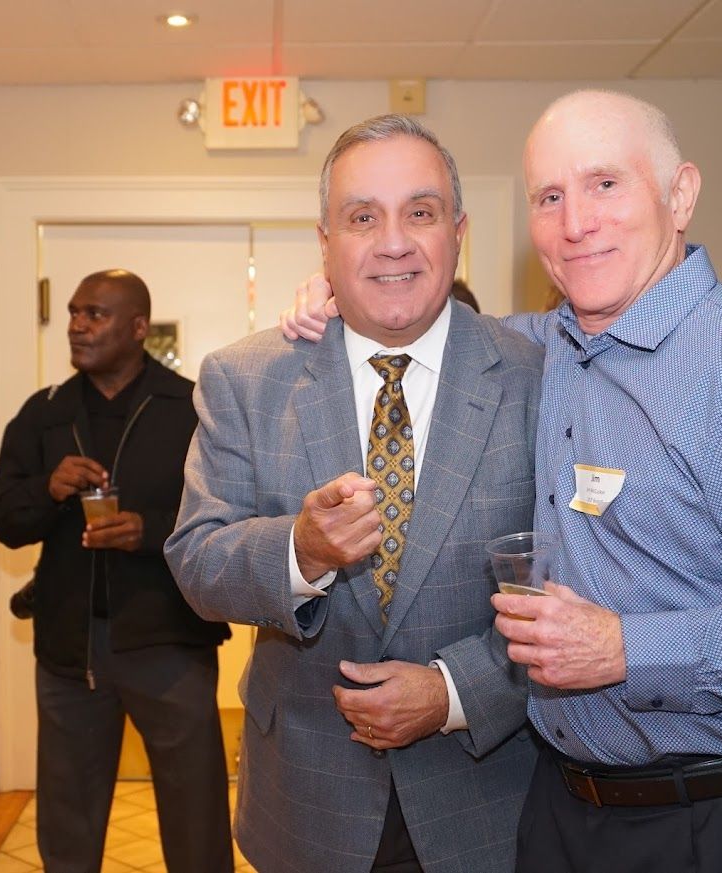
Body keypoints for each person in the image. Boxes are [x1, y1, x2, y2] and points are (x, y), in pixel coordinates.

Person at [281, 90, 722, 873]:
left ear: (679, 194)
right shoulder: (539, 349)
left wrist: (631, 648)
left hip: (719, 820)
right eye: (549, 197)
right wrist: (343, 298)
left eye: (604, 185)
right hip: (558, 813)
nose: (574, 221)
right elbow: (421, 323)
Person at [165, 114, 543, 873]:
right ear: (326, 241)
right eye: (362, 217)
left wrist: (452, 691)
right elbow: (197, 560)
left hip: (488, 799)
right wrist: (297, 551)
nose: (392, 240)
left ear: (458, 231)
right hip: (306, 799)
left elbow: (584, 583)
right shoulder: (244, 377)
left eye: (420, 212)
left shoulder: (538, 376)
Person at [0, 269, 233, 873]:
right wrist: (47, 490)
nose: (77, 324)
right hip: (70, 652)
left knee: (195, 817)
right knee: (67, 823)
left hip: (170, 641)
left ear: (139, 327)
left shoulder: (192, 408)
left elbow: (231, 511)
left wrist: (148, 531)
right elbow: (6, 521)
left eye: (95, 313)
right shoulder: (44, 413)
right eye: (73, 312)